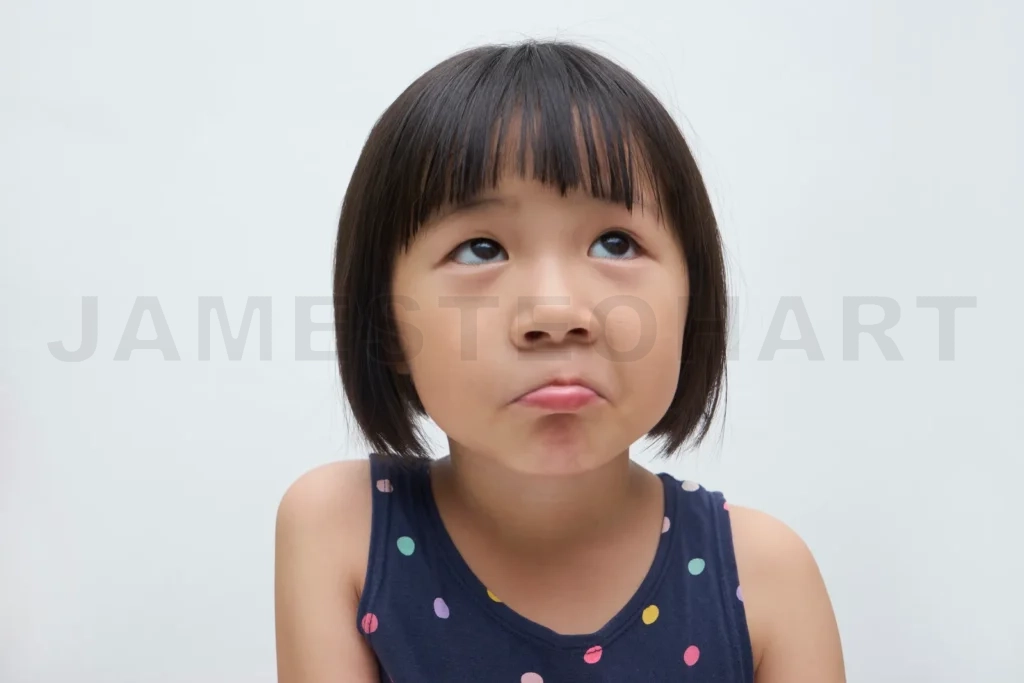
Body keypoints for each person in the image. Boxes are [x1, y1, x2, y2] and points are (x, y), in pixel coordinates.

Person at [274, 39, 845, 683]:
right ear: (386, 326)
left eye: (614, 242)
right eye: (481, 249)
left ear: (694, 304)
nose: (556, 311)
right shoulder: (344, 532)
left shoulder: (765, 577)